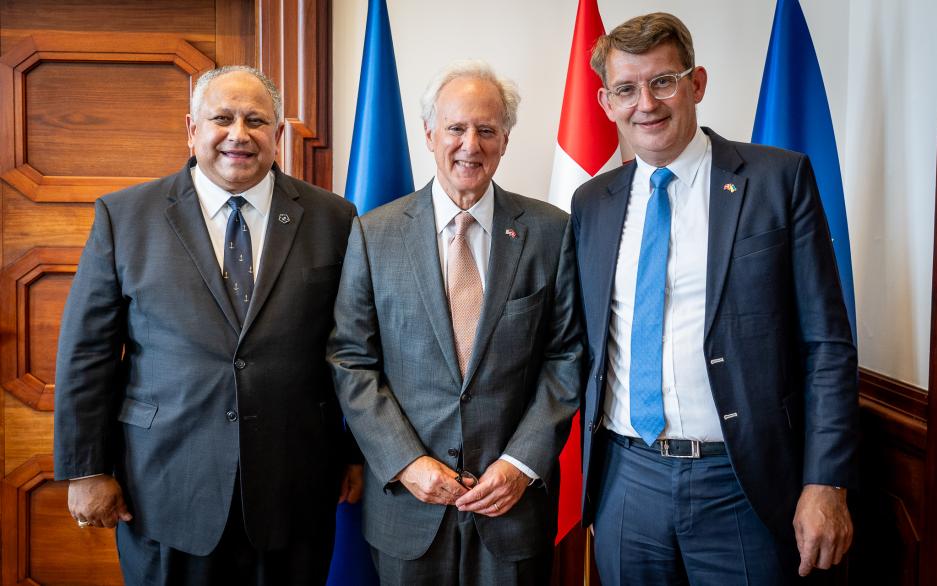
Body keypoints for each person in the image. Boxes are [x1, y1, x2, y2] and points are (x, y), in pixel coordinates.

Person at [573, 13, 858, 585]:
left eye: (663, 81)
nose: (645, 104)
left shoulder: (777, 180)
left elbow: (826, 343)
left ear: (696, 83)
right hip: (627, 479)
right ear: (606, 103)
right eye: (626, 89)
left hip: (742, 483)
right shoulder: (591, 203)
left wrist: (825, 480)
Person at [53, 65, 361, 586]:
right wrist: (87, 469)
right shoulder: (125, 217)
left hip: (295, 485)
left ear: (277, 134)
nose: (239, 134)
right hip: (164, 485)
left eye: (256, 121)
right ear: (192, 129)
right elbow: (87, 353)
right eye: (222, 118)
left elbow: (351, 348)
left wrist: (354, 454)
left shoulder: (335, 218)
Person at [328, 60, 582, 585]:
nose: (471, 144)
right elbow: (351, 359)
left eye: (486, 129)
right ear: (429, 134)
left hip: (512, 505)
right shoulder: (373, 234)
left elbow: (566, 356)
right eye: (456, 128)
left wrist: (522, 462)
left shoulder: (551, 232)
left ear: (505, 139)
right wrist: (405, 461)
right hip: (407, 507)